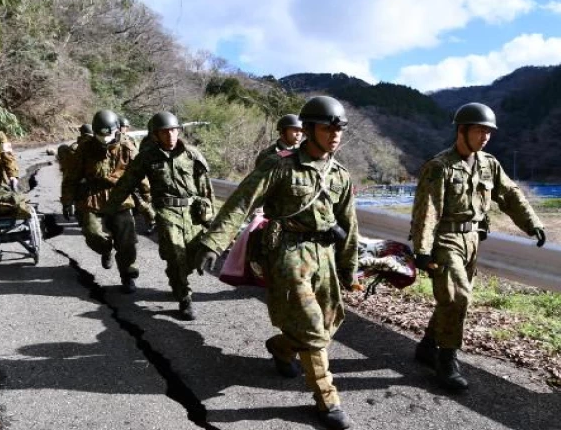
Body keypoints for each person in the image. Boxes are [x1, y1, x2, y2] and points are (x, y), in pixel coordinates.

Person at [194, 96, 360, 430]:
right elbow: (243, 201)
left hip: (324, 254)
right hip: (288, 252)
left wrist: (349, 268)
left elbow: (349, 225)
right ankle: (328, 402)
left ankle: (281, 347)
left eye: (339, 128)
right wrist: (213, 241)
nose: (335, 134)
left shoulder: (340, 174)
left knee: (330, 321)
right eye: (328, 127)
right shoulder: (280, 165)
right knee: (313, 329)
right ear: (310, 129)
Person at [410, 102, 546, 392]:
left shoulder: (489, 164)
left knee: (452, 297)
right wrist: (422, 250)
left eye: (489, 132)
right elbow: (427, 209)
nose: (485, 136)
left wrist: (532, 223)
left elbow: (510, 194)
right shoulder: (440, 166)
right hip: (445, 239)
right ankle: (447, 361)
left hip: (473, 239)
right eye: (479, 130)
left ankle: (427, 346)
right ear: (462, 130)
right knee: (458, 296)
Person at [102, 112, 215, 319]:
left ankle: (176, 279)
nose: (171, 135)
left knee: (191, 256)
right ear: (156, 135)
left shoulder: (191, 154)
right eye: (165, 132)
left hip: (193, 213)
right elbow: (127, 183)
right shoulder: (147, 156)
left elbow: (206, 189)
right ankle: (184, 297)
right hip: (166, 212)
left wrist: (210, 221)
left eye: (173, 130)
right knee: (175, 253)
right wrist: (109, 210)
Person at [61, 110, 144, 293]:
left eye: (109, 134)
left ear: (116, 130)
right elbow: (71, 176)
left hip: (120, 197)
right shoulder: (84, 148)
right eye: (101, 135)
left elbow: (140, 174)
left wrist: (146, 202)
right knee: (92, 234)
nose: (105, 138)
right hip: (92, 196)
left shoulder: (127, 147)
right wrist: (67, 201)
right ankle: (106, 249)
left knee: (127, 241)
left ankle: (128, 276)